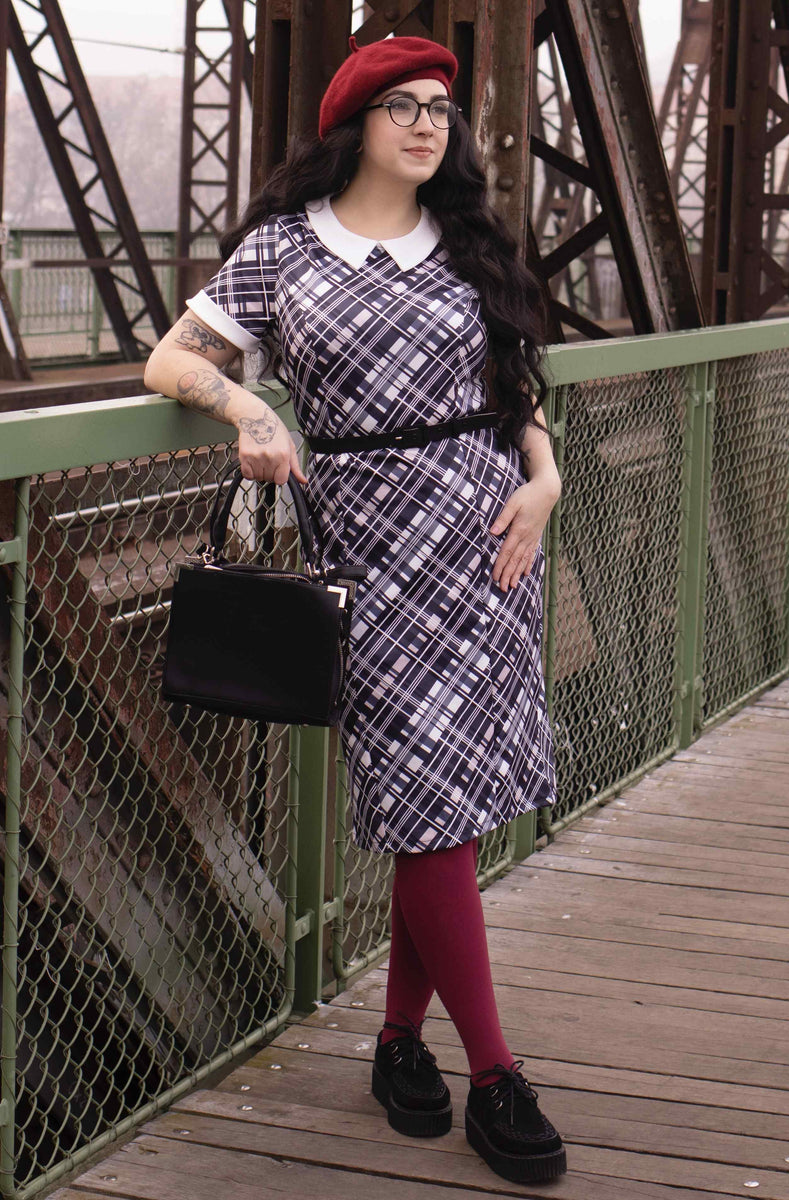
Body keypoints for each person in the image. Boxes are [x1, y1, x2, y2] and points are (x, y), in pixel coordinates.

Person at [145, 34, 566, 1185]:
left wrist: (544, 476)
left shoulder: (467, 245)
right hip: (371, 552)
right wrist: (250, 409)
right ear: (355, 126)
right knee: (424, 801)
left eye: (439, 108)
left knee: (450, 808)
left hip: (486, 548)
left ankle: (395, 1044)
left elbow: (514, 389)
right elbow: (168, 359)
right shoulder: (284, 251)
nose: (427, 124)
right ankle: (493, 1073)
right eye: (401, 107)